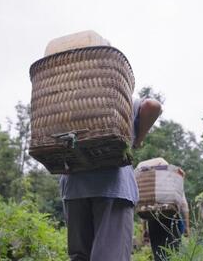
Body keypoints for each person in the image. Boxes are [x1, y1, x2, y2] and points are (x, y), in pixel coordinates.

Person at [60, 97, 162, 261]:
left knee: (80, 257)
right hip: (114, 186)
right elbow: (152, 106)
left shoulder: (68, 102)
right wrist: (137, 140)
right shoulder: (120, 99)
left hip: (74, 186)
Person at [137, 158, 190, 261]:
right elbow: (184, 205)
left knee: (158, 254)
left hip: (153, 220)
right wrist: (187, 226)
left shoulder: (148, 184)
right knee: (174, 253)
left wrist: (144, 229)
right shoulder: (171, 180)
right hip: (172, 219)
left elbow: (143, 207)